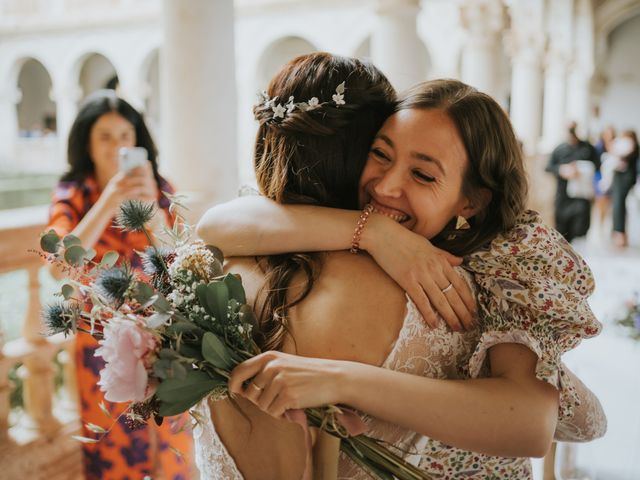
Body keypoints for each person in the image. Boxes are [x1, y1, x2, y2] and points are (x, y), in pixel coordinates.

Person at [195, 54, 605, 479]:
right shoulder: (334, 236)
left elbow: (534, 425)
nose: (387, 186)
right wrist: (373, 232)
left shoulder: (504, 263)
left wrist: (343, 380)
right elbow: (215, 224)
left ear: (473, 201)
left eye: (423, 175)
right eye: (379, 154)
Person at [46, 90, 193, 480]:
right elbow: (58, 266)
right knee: (114, 448)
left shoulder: (160, 190)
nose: (117, 147)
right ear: (87, 145)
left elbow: (180, 264)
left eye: (125, 135)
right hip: (100, 345)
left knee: (173, 442)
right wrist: (108, 200)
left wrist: (153, 216)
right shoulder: (73, 194)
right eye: (105, 137)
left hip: (163, 335)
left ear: (139, 141)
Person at [545, 122, 600, 243]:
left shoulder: (588, 148)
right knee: (562, 228)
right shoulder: (559, 149)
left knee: (580, 228)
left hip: (581, 195)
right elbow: (548, 167)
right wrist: (562, 170)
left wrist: (582, 169)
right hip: (563, 195)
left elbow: (597, 165)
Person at [608, 130, 639, 247]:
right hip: (620, 177)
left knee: (618, 205)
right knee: (618, 205)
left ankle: (619, 233)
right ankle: (619, 232)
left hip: (624, 178)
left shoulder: (632, 147)